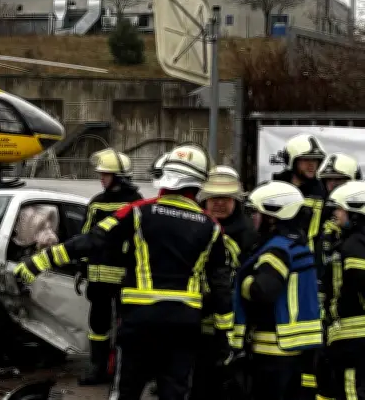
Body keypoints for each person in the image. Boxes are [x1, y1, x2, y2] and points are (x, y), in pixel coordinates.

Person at [14, 143, 233, 400]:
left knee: (127, 389)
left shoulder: (138, 212)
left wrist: (38, 262)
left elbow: (90, 240)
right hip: (183, 324)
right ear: (199, 184)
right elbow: (220, 287)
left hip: (141, 321)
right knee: (174, 391)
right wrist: (225, 336)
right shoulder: (212, 227)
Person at [230, 180, 323, 400]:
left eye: (256, 212)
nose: (251, 218)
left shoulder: (277, 250)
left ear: (272, 216)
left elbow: (263, 291)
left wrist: (239, 281)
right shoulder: (296, 244)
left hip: (272, 349)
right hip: (294, 348)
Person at [78, 148, 142, 386]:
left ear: (119, 177)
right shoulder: (97, 203)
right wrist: (82, 268)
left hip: (128, 280)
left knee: (128, 327)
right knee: (98, 326)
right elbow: (85, 238)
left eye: (106, 174)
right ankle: (99, 368)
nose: (101, 178)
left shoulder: (137, 205)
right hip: (100, 279)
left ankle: (123, 372)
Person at [191, 166, 256, 400]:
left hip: (234, 321)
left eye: (225, 198)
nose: (219, 203)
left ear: (236, 200)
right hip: (196, 319)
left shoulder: (248, 233)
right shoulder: (195, 226)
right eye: (213, 198)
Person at [271, 134, 327, 396]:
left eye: (315, 162)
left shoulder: (321, 192)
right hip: (278, 260)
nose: (311, 166)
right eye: (306, 161)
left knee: (308, 335)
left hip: (310, 267)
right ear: (293, 162)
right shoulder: (275, 187)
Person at [323, 180, 365, 399]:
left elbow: (360, 280)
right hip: (351, 338)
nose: (336, 214)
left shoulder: (354, 245)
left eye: (340, 209)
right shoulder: (352, 242)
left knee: (352, 391)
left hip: (354, 340)